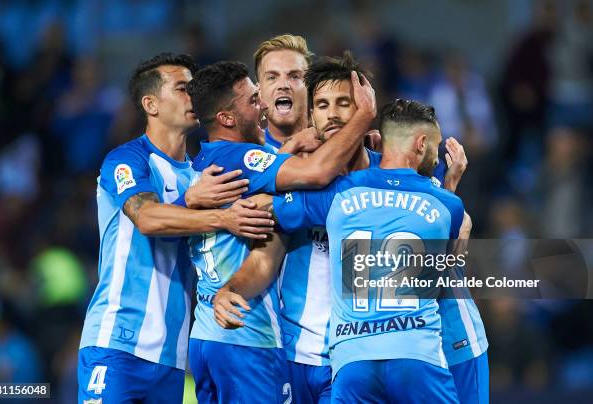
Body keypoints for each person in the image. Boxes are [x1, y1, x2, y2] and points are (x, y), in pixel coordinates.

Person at [216, 99, 463, 403]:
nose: (437, 158)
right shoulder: (448, 205)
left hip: (352, 360)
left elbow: (266, 208)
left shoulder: (340, 191)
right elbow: (445, 261)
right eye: (436, 148)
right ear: (421, 143)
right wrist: (449, 185)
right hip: (416, 354)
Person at [77, 53, 273, 404]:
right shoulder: (127, 160)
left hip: (172, 357)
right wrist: (220, 216)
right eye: (183, 88)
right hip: (117, 343)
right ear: (150, 104)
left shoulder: (202, 173)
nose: (192, 97)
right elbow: (148, 219)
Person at [184, 60, 376, 403]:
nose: (265, 106)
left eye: (346, 104)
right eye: (323, 105)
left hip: (358, 358)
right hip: (277, 350)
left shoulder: (398, 180)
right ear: (311, 116)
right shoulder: (274, 177)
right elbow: (264, 258)